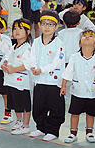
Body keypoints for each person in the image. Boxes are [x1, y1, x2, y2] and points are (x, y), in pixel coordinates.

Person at [28, 10, 66, 141]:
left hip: (54, 81)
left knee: (56, 107)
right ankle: (41, 127)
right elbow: (32, 56)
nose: (47, 27)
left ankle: (53, 130)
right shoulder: (37, 42)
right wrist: (33, 67)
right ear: (39, 25)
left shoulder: (59, 44)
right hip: (39, 80)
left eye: (50, 24)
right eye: (44, 23)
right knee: (39, 106)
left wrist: (42, 69)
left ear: (56, 27)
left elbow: (57, 62)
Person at [61, 30, 95, 144]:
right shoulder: (75, 57)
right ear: (79, 43)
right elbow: (68, 71)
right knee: (75, 113)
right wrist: (63, 86)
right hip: (78, 90)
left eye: (90, 36)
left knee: (91, 112)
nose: (87, 37)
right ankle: (73, 133)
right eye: (84, 36)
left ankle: (89, 132)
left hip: (94, 91)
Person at [1, 18, 32, 135]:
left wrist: (14, 69)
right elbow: (7, 58)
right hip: (11, 80)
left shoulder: (27, 48)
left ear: (28, 32)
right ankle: (18, 121)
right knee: (15, 104)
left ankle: (26, 125)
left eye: (20, 28)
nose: (16, 31)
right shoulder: (13, 46)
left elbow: (27, 65)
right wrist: (4, 64)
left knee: (24, 104)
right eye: (14, 28)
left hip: (21, 82)